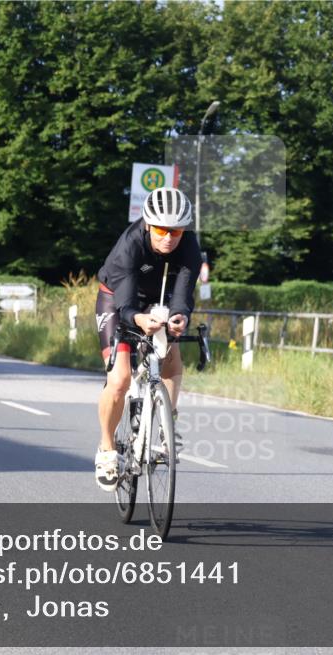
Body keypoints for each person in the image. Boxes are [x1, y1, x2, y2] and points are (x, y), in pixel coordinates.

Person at [93, 187, 202, 491]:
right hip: (118, 301)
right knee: (120, 379)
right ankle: (106, 449)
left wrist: (180, 316)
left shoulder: (190, 246)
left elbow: (183, 293)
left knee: (171, 358)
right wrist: (139, 320)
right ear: (147, 224)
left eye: (177, 231)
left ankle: (167, 421)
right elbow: (127, 306)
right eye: (162, 229)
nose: (169, 237)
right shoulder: (130, 245)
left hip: (159, 301)